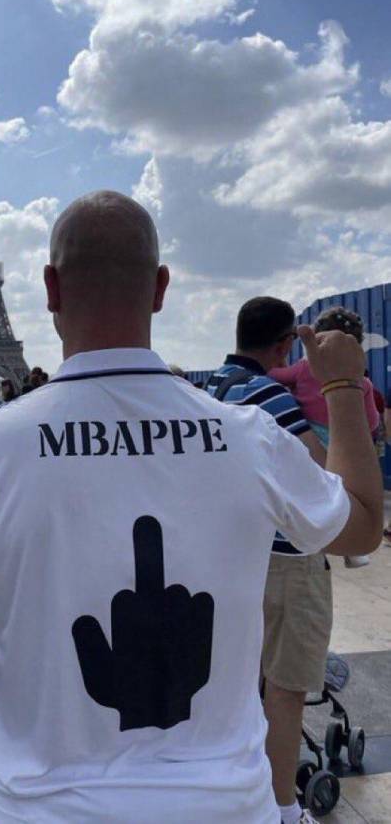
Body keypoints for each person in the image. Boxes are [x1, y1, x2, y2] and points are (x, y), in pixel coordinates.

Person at [0, 191, 382, 824]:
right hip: (225, 809)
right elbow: (365, 523)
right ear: (162, 288)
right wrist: (342, 386)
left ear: (49, 288)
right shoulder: (251, 437)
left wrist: (39, 664)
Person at [206, 296, 349, 824]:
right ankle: (284, 810)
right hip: (288, 561)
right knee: (287, 689)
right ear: (285, 343)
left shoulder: (207, 390)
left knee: (242, 684)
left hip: (233, 558)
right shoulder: (267, 395)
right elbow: (321, 473)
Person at [269, 307, 379, 569]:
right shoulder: (362, 383)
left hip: (311, 438)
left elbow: (276, 375)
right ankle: (354, 553)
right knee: (349, 497)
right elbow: (372, 422)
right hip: (342, 439)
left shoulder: (304, 369)